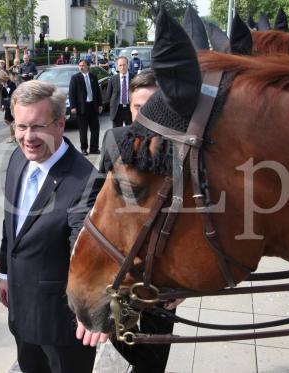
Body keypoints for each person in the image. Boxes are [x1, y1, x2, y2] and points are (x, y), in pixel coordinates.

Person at [78, 70, 183, 373]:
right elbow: (91, 200)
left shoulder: (181, 149)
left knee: (153, 359)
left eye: (152, 107)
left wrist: (184, 287)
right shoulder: (115, 139)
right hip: (121, 273)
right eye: (138, 108)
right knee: (120, 338)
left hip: (162, 282)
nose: (144, 117)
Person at [0, 80, 101, 373]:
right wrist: (5, 273)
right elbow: (10, 226)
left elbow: (85, 254)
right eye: (20, 126)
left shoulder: (87, 181)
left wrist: (90, 309)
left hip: (62, 326)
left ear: (60, 124)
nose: (27, 137)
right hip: (20, 311)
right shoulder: (19, 158)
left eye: (37, 127)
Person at [68, 59, 103, 155]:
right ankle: (84, 148)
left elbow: (97, 92)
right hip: (82, 107)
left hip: (93, 106)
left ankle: (94, 148)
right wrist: (73, 106)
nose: (81, 67)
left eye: (83, 65)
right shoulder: (75, 78)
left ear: (88, 66)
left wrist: (100, 104)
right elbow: (72, 94)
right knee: (83, 129)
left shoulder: (93, 77)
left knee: (95, 128)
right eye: (79, 65)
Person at [105, 56, 132, 128]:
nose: (122, 67)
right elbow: (108, 95)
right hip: (117, 110)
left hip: (130, 109)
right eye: (120, 65)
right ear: (117, 66)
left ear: (128, 65)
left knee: (131, 133)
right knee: (117, 134)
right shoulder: (113, 79)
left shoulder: (134, 78)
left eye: (124, 65)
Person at [0, 70, 16, 143]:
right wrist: (3, 105)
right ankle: (14, 135)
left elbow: (13, 94)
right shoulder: (4, 85)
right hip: (7, 105)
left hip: (12, 105)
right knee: (8, 121)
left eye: (0, 80)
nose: (0, 82)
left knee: (9, 120)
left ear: (3, 78)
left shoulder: (11, 84)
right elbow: (4, 96)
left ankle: (13, 136)